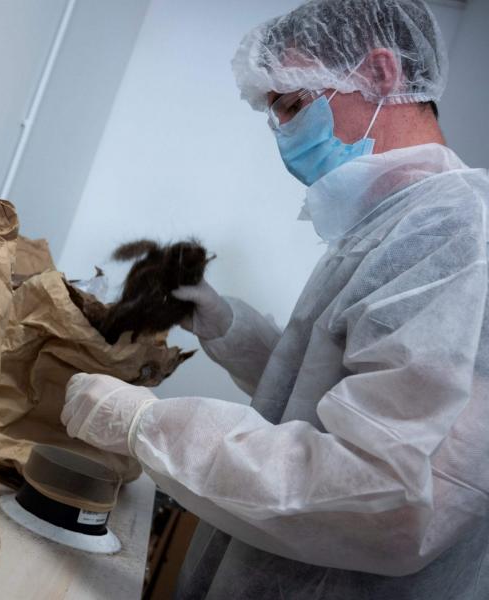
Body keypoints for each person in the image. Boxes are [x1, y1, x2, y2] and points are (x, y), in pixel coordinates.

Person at [60, 1, 489, 598]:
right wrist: (226, 324)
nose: (283, 135)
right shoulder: (385, 228)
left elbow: (381, 492)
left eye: (292, 104)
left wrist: (143, 422)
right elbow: (324, 401)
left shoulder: (454, 236)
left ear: (382, 74)